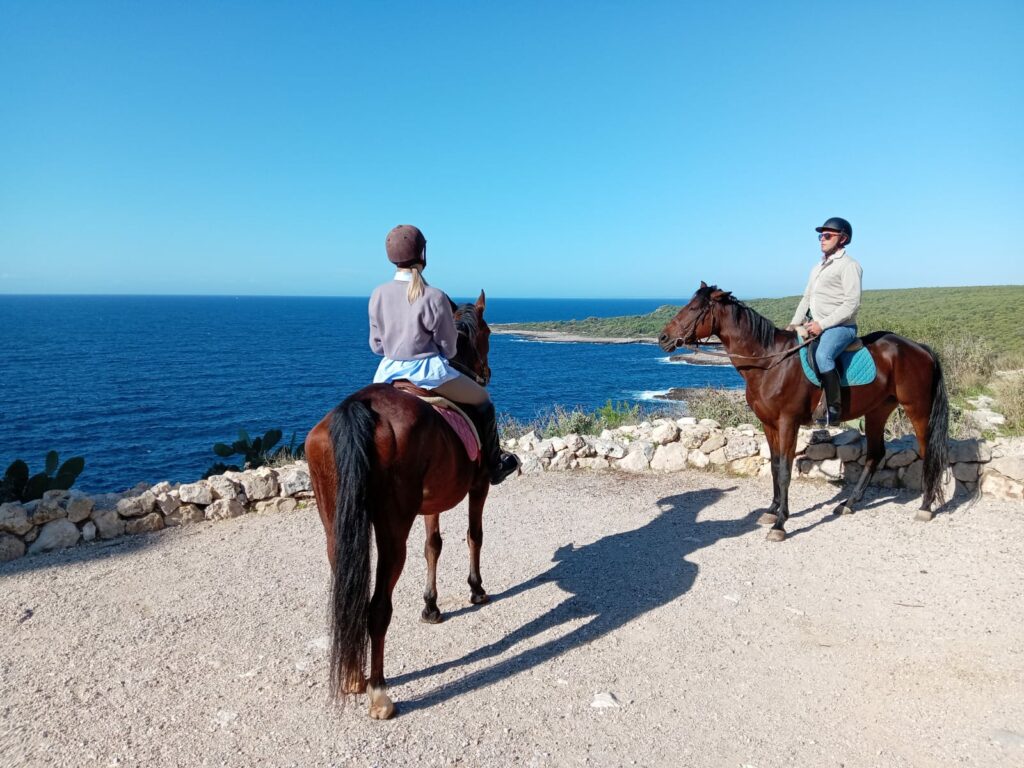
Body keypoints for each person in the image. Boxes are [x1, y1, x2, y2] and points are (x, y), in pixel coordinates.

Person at [368, 224, 520, 484]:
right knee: (483, 399)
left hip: (387, 373)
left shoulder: (377, 294)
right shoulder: (434, 296)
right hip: (429, 374)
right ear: (422, 255)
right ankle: (494, 466)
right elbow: (449, 348)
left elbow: (377, 346)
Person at [786, 216, 863, 426]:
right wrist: (794, 323)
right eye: (821, 235)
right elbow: (807, 298)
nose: (822, 239)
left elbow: (851, 304)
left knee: (823, 356)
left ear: (843, 239)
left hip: (840, 327)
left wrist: (823, 324)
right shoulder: (817, 267)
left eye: (828, 235)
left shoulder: (849, 266)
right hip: (814, 324)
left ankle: (833, 410)